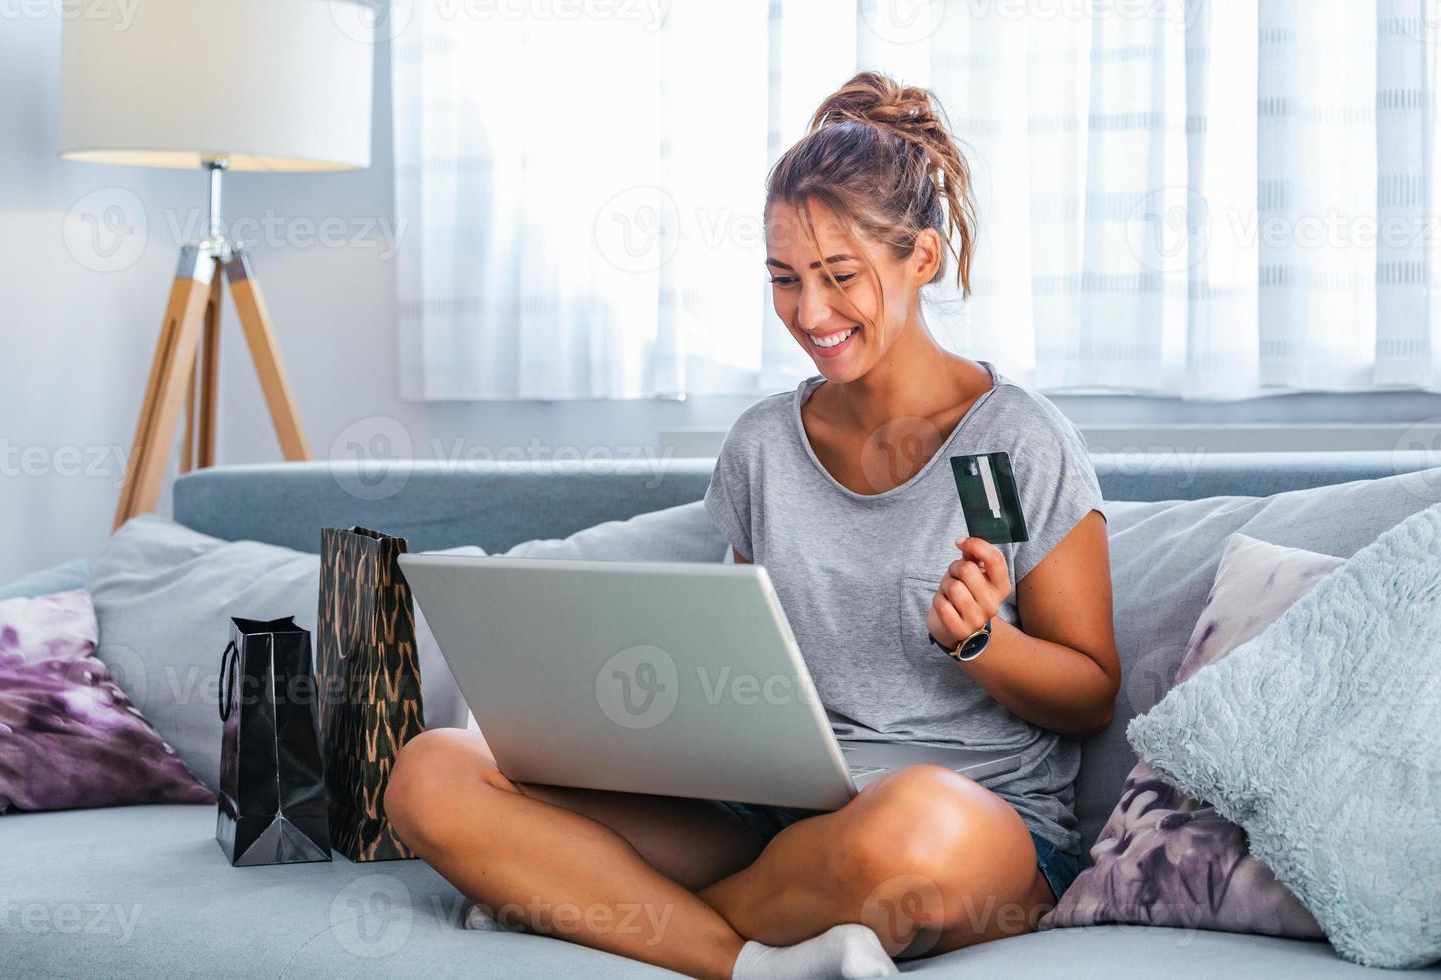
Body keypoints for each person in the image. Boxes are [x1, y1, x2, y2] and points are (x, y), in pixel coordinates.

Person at [384, 70, 1120, 980]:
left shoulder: (1022, 439)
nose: (810, 314)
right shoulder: (763, 446)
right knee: (434, 771)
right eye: (784, 280)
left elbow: (1092, 692)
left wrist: (982, 645)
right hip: (767, 820)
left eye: (840, 276)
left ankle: (589, 914)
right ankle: (748, 962)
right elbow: (739, 665)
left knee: (911, 824)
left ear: (922, 259)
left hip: (969, 827)